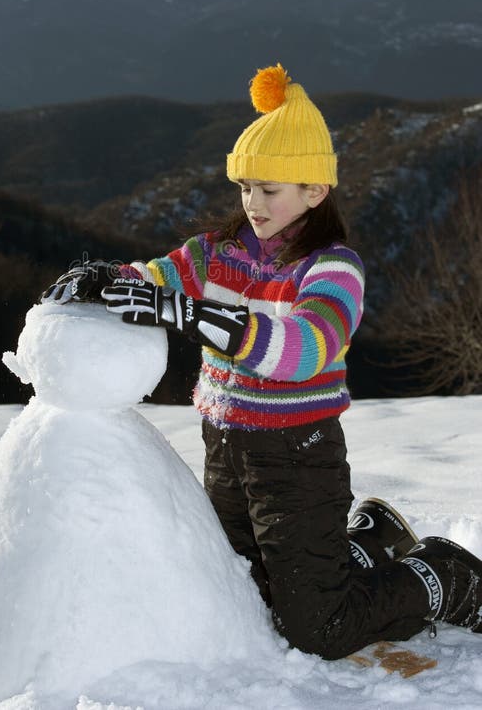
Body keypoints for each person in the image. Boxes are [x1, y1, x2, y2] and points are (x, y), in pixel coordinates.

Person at [42, 63, 482, 660]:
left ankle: (444, 577)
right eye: (245, 187)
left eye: (269, 190)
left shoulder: (331, 268)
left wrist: (186, 313)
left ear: (314, 191)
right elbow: (155, 279)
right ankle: (370, 542)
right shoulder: (216, 253)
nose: (252, 203)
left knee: (317, 629)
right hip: (225, 446)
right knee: (243, 596)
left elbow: (303, 350)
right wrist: (106, 279)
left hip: (297, 456)